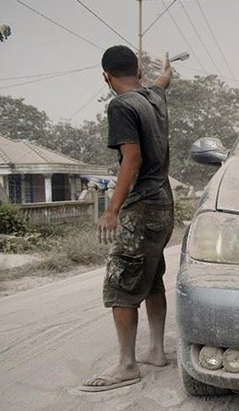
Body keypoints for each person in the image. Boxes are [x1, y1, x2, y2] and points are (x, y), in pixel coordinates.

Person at [81, 46, 174, 392]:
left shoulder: (121, 106)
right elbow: (163, 82)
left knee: (121, 283)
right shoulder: (154, 97)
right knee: (151, 277)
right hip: (164, 205)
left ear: (105, 76)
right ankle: (156, 351)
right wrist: (165, 70)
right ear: (137, 70)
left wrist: (112, 209)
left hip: (142, 206)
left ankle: (126, 364)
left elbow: (130, 159)